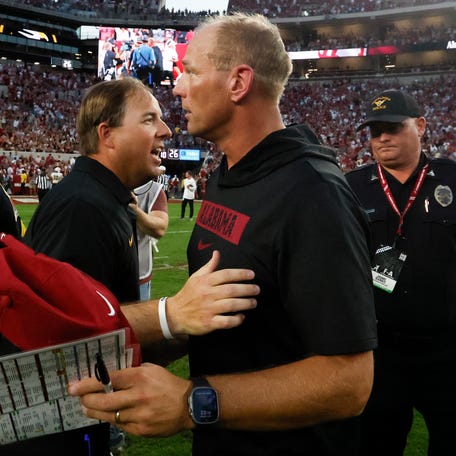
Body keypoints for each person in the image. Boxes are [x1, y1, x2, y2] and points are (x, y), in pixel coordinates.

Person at [69, 14, 377, 456]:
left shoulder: (313, 194)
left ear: (238, 83)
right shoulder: (230, 173)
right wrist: (165, 331)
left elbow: (350, 382)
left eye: (191, 71)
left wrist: (191, 401)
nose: (177, 87)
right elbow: (232, 321)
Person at [17, 77, 259, 456]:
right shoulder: (82, 206)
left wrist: (192, 331)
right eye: (149, 120)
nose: (165, 131)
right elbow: (58, 336)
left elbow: (109, 340)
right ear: (107, 134)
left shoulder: (107, 198)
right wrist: (170, 315)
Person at [345, 89, 456, 455]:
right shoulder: (352, 187)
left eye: (393, 127)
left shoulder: (451, 179)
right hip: (380, 351)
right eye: (375, 130)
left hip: (447, 349)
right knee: (377, 443)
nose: (382, 138)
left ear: (420, 126)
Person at [130, 167, 169, 301]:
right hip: (100, 275)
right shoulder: (101, 184)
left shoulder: (153, 190)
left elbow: (159, 228)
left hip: (138, 274)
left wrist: (135, 210)